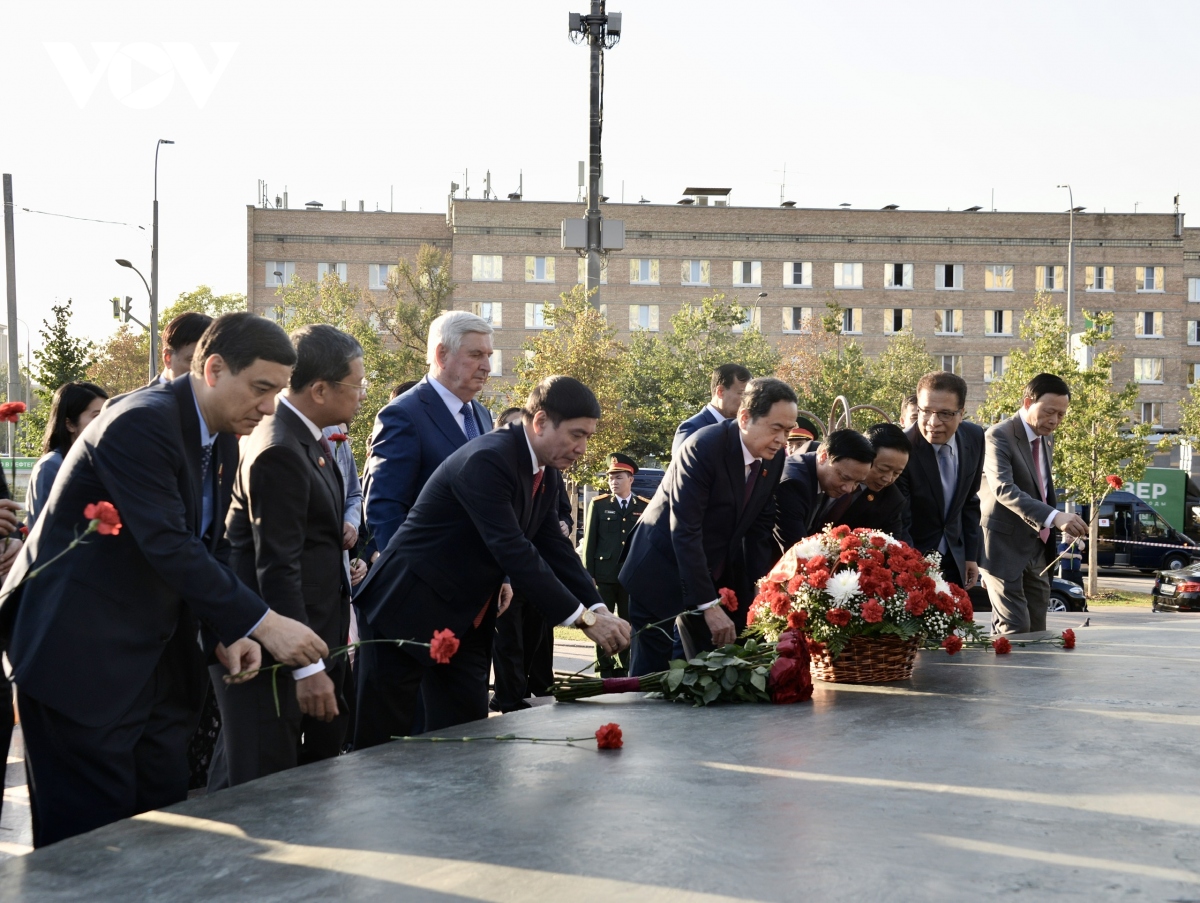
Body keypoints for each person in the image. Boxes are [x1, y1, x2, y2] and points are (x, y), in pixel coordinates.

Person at [0, 312, 329, 848]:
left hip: (153, 666)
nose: (269, 407)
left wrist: (228, 630)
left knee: (158, 837)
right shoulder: (141, 422)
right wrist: (266, 624)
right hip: (80, 660)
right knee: (90, 848)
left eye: (277, 392)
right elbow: (168, 543)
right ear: (215, 368)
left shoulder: (222, 433)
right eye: (261, 389)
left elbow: (208, 544)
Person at [353, 376, 631, 735]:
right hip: (405, 611)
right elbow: (513, 548)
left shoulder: (544, 471)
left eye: (587, 438)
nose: (582, 448)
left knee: (466, 736)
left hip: (465, 619)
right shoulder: (490, 459)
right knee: (382, 742)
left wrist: (597, 608)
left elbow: (555, 547)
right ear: (541, 421)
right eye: (577, 434)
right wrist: (583, 621)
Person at [208, 325, 364, 789]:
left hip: (312, 643)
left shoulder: (308, 439)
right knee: (261, 784)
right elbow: (277, 566)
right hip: (275, 657)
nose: (360, 396)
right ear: (320, 389)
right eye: (355, 386)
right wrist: (308, 667)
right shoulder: (279, 447)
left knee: (311, 784)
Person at [355, 311, 501, 749]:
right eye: (476, 355)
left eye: (489, 356)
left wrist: (504, 575)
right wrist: (418, 581)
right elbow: (383, 508)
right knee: (399, 733)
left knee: (463, 729)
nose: (486, 367)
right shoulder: (404, 414)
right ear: (441, 354)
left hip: (476, 604)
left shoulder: (484, 417)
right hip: (419, 603)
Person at [622, 378, 797, 676]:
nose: (783, 439)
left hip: (711, 574)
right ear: (744, 418)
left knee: (711, 672)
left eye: (788, 431)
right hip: (660, 568)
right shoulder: (703, 447)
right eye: (776, 428)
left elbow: (759, 528)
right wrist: (708, 605)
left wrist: (760, 589)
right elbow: (685, 530)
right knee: (652, 676)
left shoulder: (774, 457)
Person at [979, 373, 1088, 635]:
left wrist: (1061, 524)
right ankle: (1007, 677)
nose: (1054, 421)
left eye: (1061, 415)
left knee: (1038, 629)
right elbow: (1004, 489)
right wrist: (1054, 517)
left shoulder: (1046, 437)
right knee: (1016, 628)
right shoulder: (998, 435)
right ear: (1028, 402)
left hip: (1037, 547)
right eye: (1050, 412)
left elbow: (1042, 488)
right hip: (1002, 548)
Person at [896, 371, 985, 590]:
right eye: (925, 411)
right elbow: (900, 519)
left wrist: (970, 555)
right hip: (912, 562)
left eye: (945, 414)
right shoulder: (902, 448)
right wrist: (912, 568)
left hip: (956, 560)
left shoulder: (974, 437)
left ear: (961, 413)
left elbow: (970, 501)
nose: (933, 422)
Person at [581, 453, 650, 677]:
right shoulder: (599, 505)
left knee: (629, 621)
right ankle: (605, 666)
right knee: (603, 619)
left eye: (619, 477)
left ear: (631, 479)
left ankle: (627, 664)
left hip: (630, 576)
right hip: (604, 575)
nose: (613, 481)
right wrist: (588, 575)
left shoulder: (644, 506)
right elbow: (590, 542)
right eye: (611, 478)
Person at [25, 381, 109, 529]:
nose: (105, 423)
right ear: (69, 424)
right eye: (96, 417)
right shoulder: (51, 467)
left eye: (107, 416)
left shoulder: (99, 464)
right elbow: (47, 532)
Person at [775, 429, 876, 550]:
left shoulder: (823, 477)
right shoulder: (793, 485)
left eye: (857, 482)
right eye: (844, 477)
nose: (849, 489)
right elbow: (797, 549)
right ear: (823, 457)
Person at [839, 422, 912, 541]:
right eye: (882, 469)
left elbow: (892, 545)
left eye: (896, 473)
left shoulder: (892, 501)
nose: (888, 479)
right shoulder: (834, 471)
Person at [671, 363, 752, 455]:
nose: (748, 401)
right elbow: (681, 468)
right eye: (742, 394)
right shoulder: (692, 428)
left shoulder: (742, 428)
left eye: (750, 396)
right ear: (720, 391)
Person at [158, 311, 214, 383]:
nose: (204, 370)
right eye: (194, 361)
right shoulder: (145, 394)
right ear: (168, 358)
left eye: (211, 362)